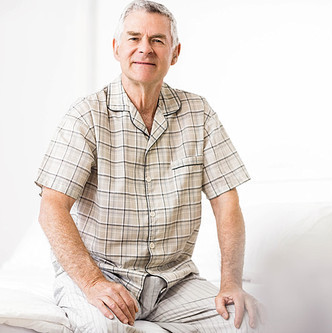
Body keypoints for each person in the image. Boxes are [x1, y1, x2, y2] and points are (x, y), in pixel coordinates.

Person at [35, 1, 261, 332]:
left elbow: (226, 202)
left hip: (174, 284)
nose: (145, 49)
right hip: (102, 276)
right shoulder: (85, 116)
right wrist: (93, 282)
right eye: (134, 38)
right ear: (116, 48)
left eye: (157, 40)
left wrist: (230, 283)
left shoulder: (200, 114)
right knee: (105, 329)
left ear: (175, 52)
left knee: (253, 321)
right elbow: (51, 207)